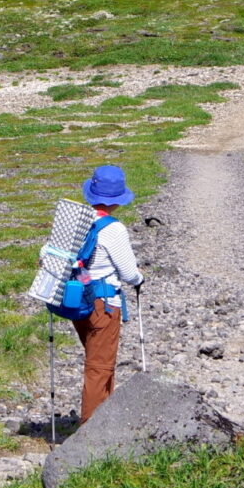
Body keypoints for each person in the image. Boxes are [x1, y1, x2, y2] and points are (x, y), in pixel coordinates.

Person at [71, 164, 143, 421]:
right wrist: (140, 278)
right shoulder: (113, 229)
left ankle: (104, 417)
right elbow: (129, 273)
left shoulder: (77, 220)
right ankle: (90, 433)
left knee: (99, 361)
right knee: (99, 367)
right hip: (105, 304)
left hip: (78, 300)